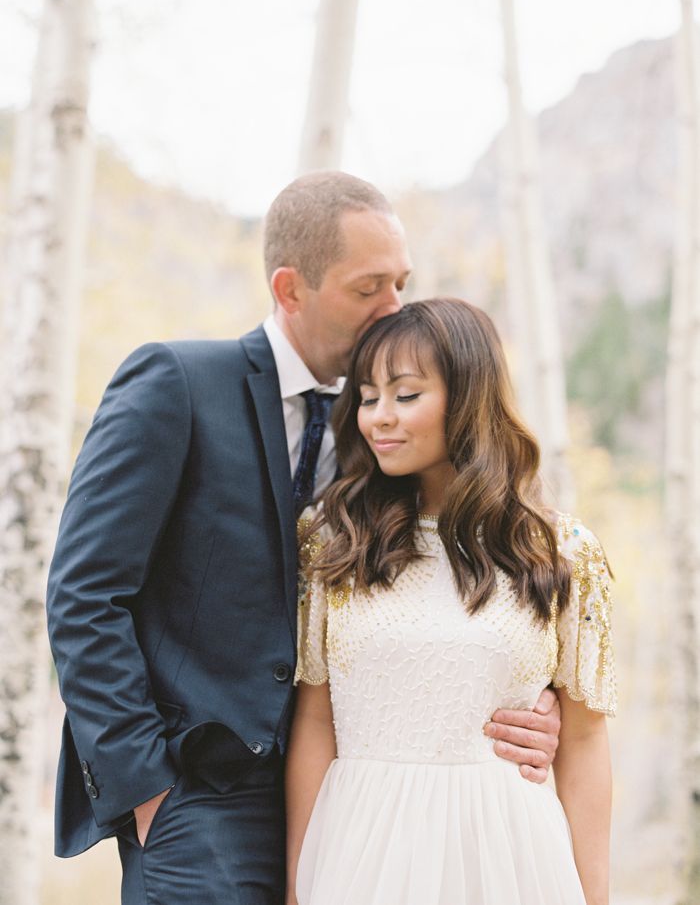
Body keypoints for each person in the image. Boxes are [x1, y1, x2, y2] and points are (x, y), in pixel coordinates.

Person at [47, 173, 562, 905]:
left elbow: (458, 591)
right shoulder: (177, 384)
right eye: (369, 288)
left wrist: (538, 703)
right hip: (202, 797)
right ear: (291, 290)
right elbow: (84, 595)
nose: (395, 308)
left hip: (359, 798)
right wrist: (145, 789)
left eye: (402, 284)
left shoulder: (393, 429)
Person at [286, 296, 615, 905]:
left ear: (469, 398)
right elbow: (314, 721)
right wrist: (296, 889)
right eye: (366, 396)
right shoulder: (332, 542)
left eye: (406, 395)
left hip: (511, 861)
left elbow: (587, 742)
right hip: (363, 856)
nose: (379, 417)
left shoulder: (563, 551)